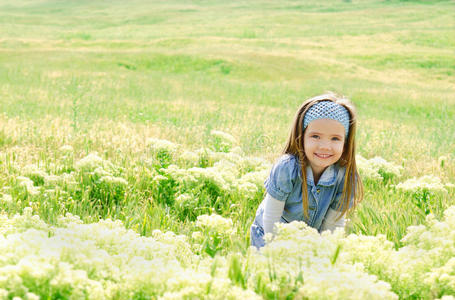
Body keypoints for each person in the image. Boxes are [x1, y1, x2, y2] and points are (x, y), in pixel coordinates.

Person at [250, 93, 363, 248]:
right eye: (315, 136)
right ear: (301, 137)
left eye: (335, 138)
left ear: (346, 142)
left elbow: (332, 227)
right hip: (268, 235)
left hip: (307, 241)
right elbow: (271, 218)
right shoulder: (287, 168)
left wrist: (323, 254)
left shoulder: (345, 178)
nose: (324, 146)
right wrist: (276, 250)